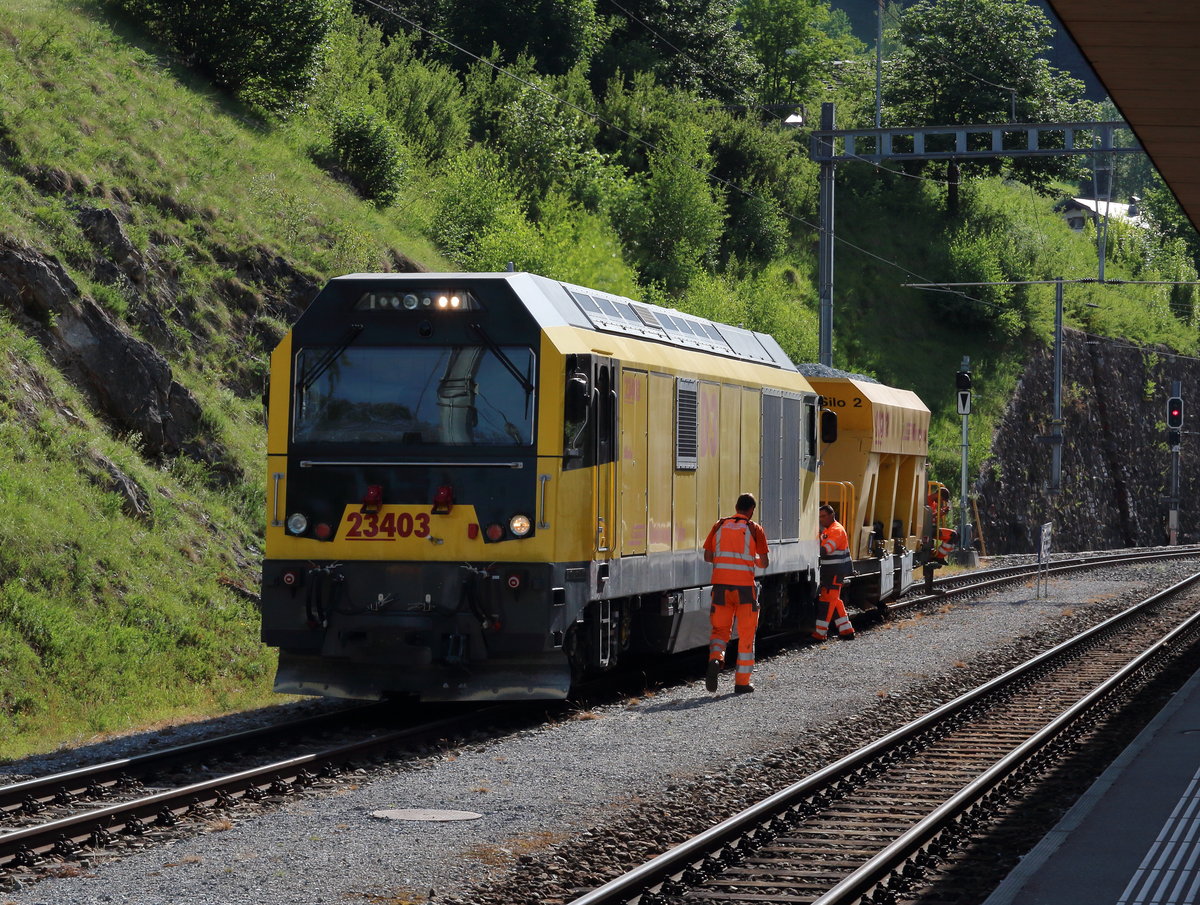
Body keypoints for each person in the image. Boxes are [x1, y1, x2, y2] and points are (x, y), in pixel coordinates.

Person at [702, 492, 769, 695]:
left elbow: (707, 556)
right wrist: (751, 561)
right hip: (745, 591)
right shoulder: (754, 528)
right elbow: (764, 562)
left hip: (721, 588)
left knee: (720, 631)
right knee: (746, 634)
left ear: (736, 506)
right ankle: (741, 683)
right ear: (751, 510)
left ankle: (716, 658)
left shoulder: (719, 525)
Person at [813, 504, 855, 641]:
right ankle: (846, 630)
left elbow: (827, 548)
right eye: (819, 517)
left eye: (824, 516)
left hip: (836, 571)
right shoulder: (828, 530)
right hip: (831, 571)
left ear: (832, 515)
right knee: (833, 599)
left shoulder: (836, 530)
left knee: (826, 600)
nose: (821, 519)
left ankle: (820, 634)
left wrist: (810, 552)